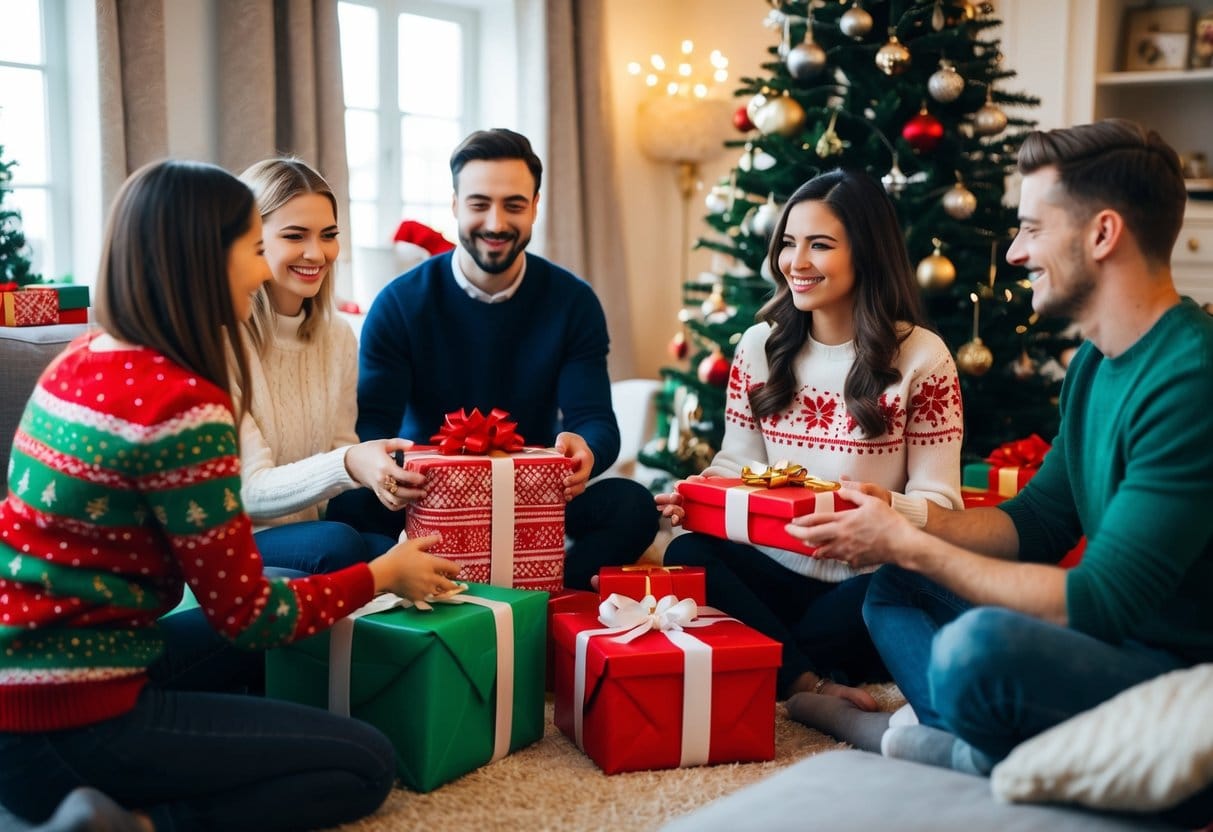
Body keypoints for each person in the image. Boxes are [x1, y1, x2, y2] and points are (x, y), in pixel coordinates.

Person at [0, 159, 462, 831]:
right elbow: (250, 616)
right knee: (366, 765)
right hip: (74, 724)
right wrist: (383, 575)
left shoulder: (83, 358)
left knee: (255, 657)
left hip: (32, 691)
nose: (263, 268)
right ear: (202, 260)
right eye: (254, 248)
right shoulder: (183, 403)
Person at [783, 120, 1213, 824]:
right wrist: (901, 521)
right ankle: (987, 750)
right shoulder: (1092, 366)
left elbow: (1097, 602)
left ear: (1101, 235)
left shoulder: (1189, 376)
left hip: (1173, 681)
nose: (1015, 253)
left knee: (978, 650)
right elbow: (1037, 524)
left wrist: (906, 540)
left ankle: (943, 750)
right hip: (1106, 649)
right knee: (897, 587)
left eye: (1029, 229)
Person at [655, 168, 964, 706]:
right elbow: (738, 464)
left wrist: (883, 509)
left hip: (865, 584)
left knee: (905, 590)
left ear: (866, 253)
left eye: (819, 245)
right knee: (685, 549)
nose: (795, 263)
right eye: (788, 244)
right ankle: (806, 684)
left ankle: (776, 653)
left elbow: (941, 502)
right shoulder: (759, 346)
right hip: (774, 569)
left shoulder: (923, 357)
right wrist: (700, 496)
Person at [326, 128, 659, 590]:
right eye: (480, 204)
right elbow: (372, 426)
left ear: (536, 206)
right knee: (344, 516)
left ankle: (548, 595)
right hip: (427, 499)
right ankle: (430, 576)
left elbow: (596, 421)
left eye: (514, 205)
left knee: (633, 506)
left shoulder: (573, 302)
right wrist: (386, 473)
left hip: (536, 498)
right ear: (455, 205)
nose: (496, 222)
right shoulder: (400, 303)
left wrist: (586, 450)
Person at [235, 157, 408, 574]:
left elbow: (338, 456)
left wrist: (386, 481)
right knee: (340, 544)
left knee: (398, 539)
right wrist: (350, 463)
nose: (317, 253)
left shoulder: (338, 337)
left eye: (328, 236)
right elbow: (249, 492)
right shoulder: (222, 337)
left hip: (310, 530)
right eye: (295, 236)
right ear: (250, 242)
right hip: (233, 539)